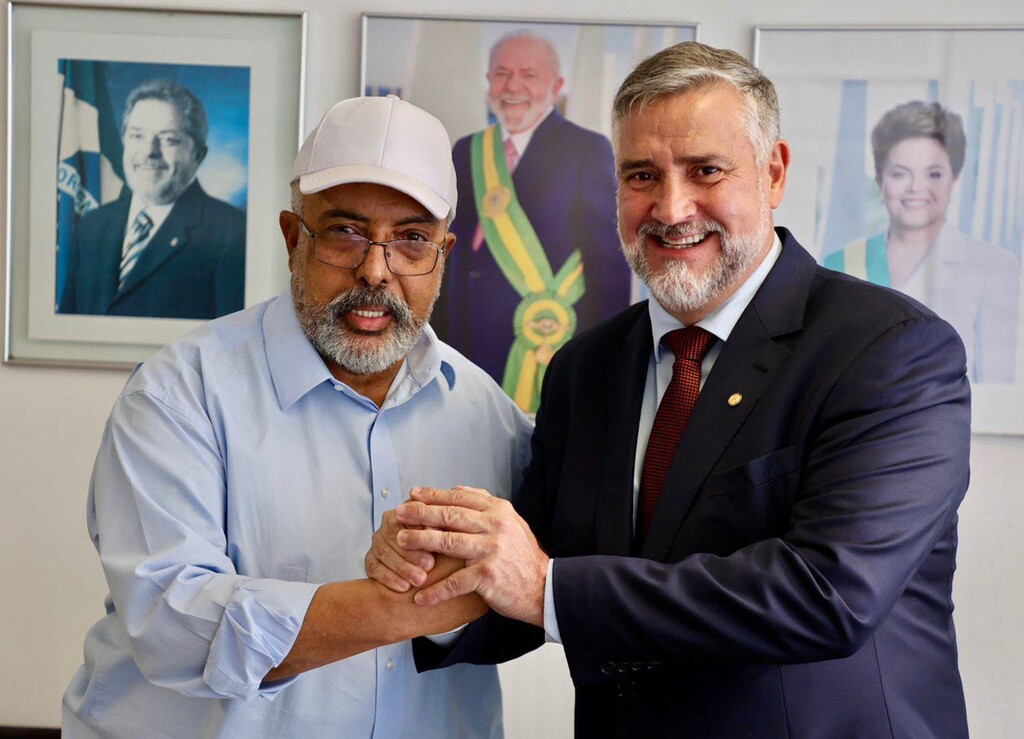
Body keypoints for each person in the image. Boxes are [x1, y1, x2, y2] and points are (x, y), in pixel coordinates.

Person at [368, 43, 972, 738]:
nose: (671, 207)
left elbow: (827, 596)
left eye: (705, 170)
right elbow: (526, 580)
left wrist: (546, 586)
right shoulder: (585, 369)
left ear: (773, 172)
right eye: (642, 175)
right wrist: (439, 578)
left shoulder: (891, 350)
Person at [62, 95, 533, 738]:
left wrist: (501, 580)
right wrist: (428, 600)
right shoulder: (177, 397)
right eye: (345, 232)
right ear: (293, 238)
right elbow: (177, 630)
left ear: (443, 254)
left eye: (411, 239)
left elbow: (536, 591)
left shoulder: (491, 416)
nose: (376, 270)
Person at [433, 30, 632, 412]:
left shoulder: (586, 149)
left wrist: (599, 361)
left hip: (547, 347)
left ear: (556, 86)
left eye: (529, 74)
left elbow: (608, 268)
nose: (513, 86)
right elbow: (448, 256)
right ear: (488, 81)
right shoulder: (466, 150)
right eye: (501, 73)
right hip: (465, 347)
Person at [824, 100, 1020, 383]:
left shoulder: (993, 267)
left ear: (955, 178)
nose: (916, 187)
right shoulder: (839, 264)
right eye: (900, 174)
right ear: (879, 180)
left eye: (933, 174)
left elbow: (996, 385)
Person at [58, 78, 246, 320]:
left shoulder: (233, 234)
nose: (149, 152)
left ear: (198, 155)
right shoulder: (91, 226)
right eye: (137, 136)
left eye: (168, 139)